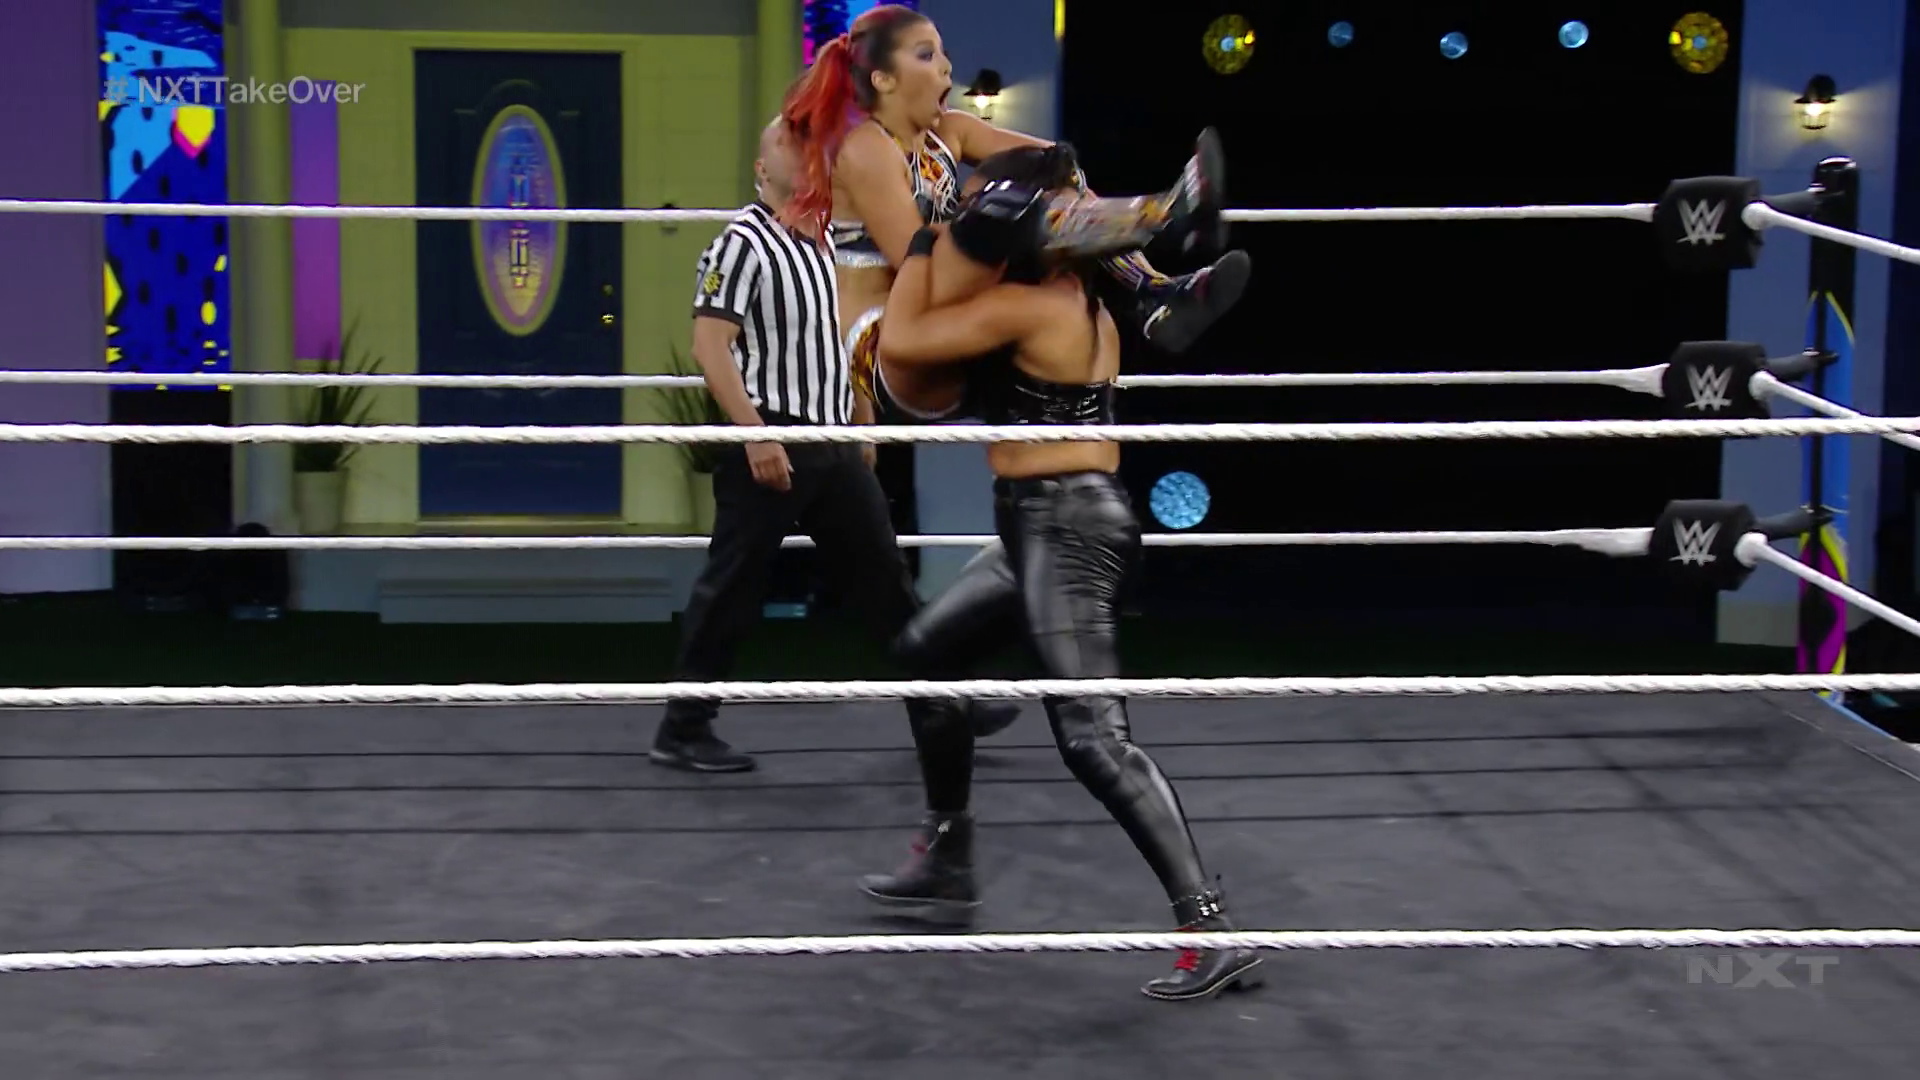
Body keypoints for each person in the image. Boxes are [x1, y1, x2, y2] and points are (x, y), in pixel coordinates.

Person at [854, 147, 1266, 1002]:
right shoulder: (1073, 296)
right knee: (927, 656)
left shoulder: (1033, 301)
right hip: (1038, 528)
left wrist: (926, 238)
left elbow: (907, 340)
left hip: (1066, 527)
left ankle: (1209, 928)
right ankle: (948, 854)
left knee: (1092, 739)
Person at [651, 119, 1014, 772]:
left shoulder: (828, 246)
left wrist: (862, 417)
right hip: (771, 434)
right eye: (785, 143)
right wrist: (755, 435)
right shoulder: (741, 243)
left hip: (833, 439)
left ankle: (945, 705)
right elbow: (711, 348)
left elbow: (842, 341)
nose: (802, 150)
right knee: (731, 586)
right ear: (761, 169)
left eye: (806, 142)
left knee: (887, 582)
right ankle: (683, 728)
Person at [780, 4, 1250, 438]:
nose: (946, 67)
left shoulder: (950, 132)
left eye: (943, 53)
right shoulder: (866, 147)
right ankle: (1165, 217)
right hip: (891, 343)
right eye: (926, 55)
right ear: (883, 79)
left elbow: (1058, 163)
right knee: (1002, 211)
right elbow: (915, 258)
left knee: (1049, 178)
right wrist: (984, 213)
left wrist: (1028, 192)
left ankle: (1152, 294)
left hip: (953, 317)